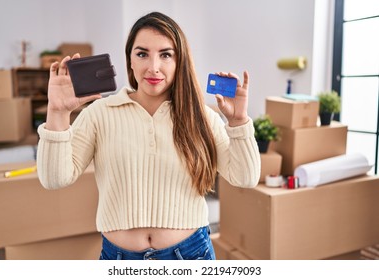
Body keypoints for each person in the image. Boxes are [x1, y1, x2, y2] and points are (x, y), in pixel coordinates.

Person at [36, 11, 261, 260]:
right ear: (129, 60)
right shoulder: (100, 113)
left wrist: (239, 121)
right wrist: (57, 112)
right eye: (142, 54)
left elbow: (245, 178)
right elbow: (54, 179)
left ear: (179, 61)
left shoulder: (201, 116)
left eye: (166, 55)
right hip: (119, 258)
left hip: (189, 255)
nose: (153, 67)